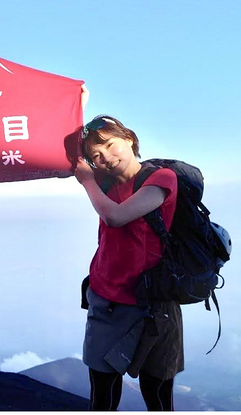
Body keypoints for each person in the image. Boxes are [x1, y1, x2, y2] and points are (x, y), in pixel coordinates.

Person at [73, 115, 184, 411]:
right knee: (102, 397)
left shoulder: (160, 179)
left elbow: (116, 217)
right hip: (106, 299)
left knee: (157, 396)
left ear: (130, 139)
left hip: (153, 304)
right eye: (96, 155)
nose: (106, 157)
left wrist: (87, 180)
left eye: (110, 145)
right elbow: (68, 152)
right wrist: (77, 104)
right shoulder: (104, 182)